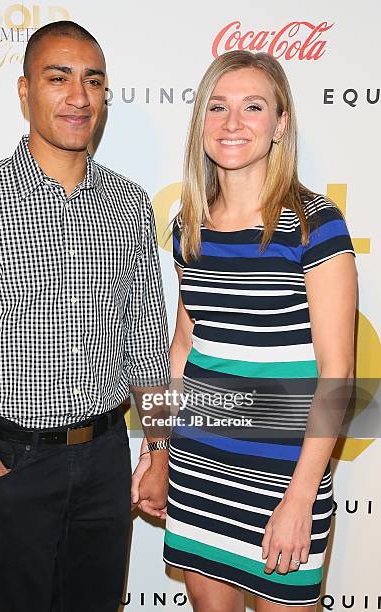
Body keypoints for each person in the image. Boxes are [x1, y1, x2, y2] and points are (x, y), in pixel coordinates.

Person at [0, 21, 170, 612]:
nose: (78, 96)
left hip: (106, 460)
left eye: (92, 80)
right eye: (58, 78)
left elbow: (149, 343)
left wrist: (157, 448)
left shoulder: (129, 205)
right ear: (25, 91)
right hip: (14, 461)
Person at [133, 50, 356, 610]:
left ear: (280, 124)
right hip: (199, 467)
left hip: (284, 479)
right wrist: (157, 451)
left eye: (253, 107)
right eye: (217, 107)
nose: (232, 123)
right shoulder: (191, 222)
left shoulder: (313, 224)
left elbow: (338, 373)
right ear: (200, 123)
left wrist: (301, 497)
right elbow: (182, 347)